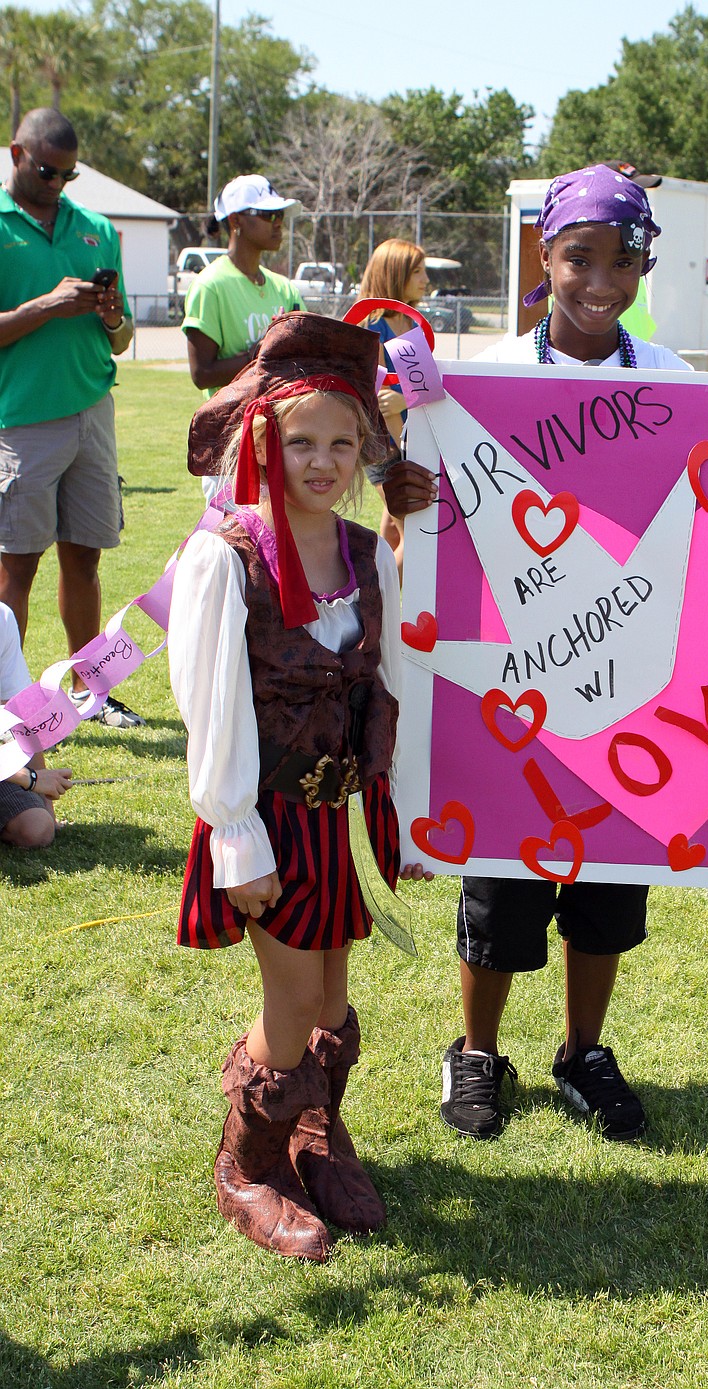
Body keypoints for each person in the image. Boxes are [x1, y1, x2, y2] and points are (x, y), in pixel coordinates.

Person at [385, 164, 692, 1144]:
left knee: (606, 884)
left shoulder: (678, 383)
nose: (600, 280)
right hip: (508, 691)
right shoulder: (480, 385)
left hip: (626, 690)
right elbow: (418, 530)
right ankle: (475, 1050)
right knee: (500, 885)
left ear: (645, 263)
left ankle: (580, 1052)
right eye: (578, 257)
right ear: (543, 259)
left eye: (622, 259)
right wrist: (406, 499)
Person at [169, 311, 430, 1260]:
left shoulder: (365, 554)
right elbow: (212, 703)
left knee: (329, 996)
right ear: (263, 444)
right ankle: (250, 1163)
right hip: (263, 815)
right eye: (301, 441)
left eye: (341, 443)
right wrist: (236, 835)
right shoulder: (225, 555)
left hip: (329, 814)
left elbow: (392, 681)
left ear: (364, 452)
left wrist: (404, 810)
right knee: (289, 1003)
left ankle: (317, 1129)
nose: (321, 461)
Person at [0, 108, 143, 729]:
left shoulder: (96, 229)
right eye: (46, 170)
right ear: (15, 153)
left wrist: (110, 316)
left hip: (93, 414)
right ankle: (11, 706)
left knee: (84, 560)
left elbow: (122, 338)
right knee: (16, 569)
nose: (58, 183)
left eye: (68, 174)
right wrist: (46, 305)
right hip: (23, 421)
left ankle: (96, 693)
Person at [182, 175, 305, 506]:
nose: (278, 224)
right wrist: (263, 356)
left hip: (286, 440)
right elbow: (202, 373)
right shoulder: (210, 286)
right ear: (235, 221)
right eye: (267, 215)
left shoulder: (286, 288)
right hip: (231, 444)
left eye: (280, 216)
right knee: (237, 551)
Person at [356, 239, 429, 573]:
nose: (425, 280)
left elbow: (425, 388)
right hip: (383, 447)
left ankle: (384, 617)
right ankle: (367, 609)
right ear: (395, 274)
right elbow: (377, 401)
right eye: (417, 272)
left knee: (391, 533)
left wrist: (406, 400)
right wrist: (402, 400)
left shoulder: (413, 323)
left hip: (408, 443)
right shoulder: (370, 329)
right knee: (415, 541)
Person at [0, 601, 72, 848]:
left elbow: (20, 717)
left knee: (37, 828)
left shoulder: (2, 618)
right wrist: (29, 778)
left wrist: (46, 805)